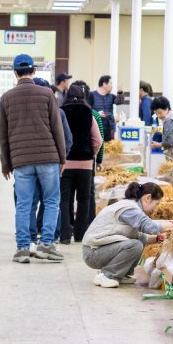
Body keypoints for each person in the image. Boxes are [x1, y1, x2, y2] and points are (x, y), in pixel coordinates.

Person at [0, 52, 66, 264]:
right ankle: (46, 245)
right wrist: (62, 158)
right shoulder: (47, 94)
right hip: (48, 156)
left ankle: (22, 248)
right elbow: (57, 129)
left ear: (14, 73)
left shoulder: (7, 98)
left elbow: (3, 135)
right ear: (34, 71)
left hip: (21, 160)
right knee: (52, 200)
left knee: (24, 204)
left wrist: (5, 164)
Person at [81, 181, 173, 289]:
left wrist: (157, 238)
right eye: (156, 204)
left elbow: (138, 236)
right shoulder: (131, 209)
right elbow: (151, 227)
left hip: (98, 250)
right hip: (92, 253)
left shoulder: (130, 206)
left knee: (138, 242)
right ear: (147, 198)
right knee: (135, 245)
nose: (156, 208)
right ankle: (106, 275)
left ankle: (122, 274)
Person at [58, 82, 103, 244]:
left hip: (65, 163)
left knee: (64, 199)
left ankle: (64, 235)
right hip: (85, 164)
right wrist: (92, 154)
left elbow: (57, 136)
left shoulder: (60, 112)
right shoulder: (88, 113)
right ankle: (80, 235)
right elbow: (98, 140)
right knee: (84, 199)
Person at [89, 76, 117, 140]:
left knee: (109, 148)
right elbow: (87, 111)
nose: (112, 86)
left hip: (109, 129)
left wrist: (120, 93)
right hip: (96, 128)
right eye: (110, 83)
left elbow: (119, 101)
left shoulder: (111, 96)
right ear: (104, 84)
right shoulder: (91, 95)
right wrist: (96, 114)